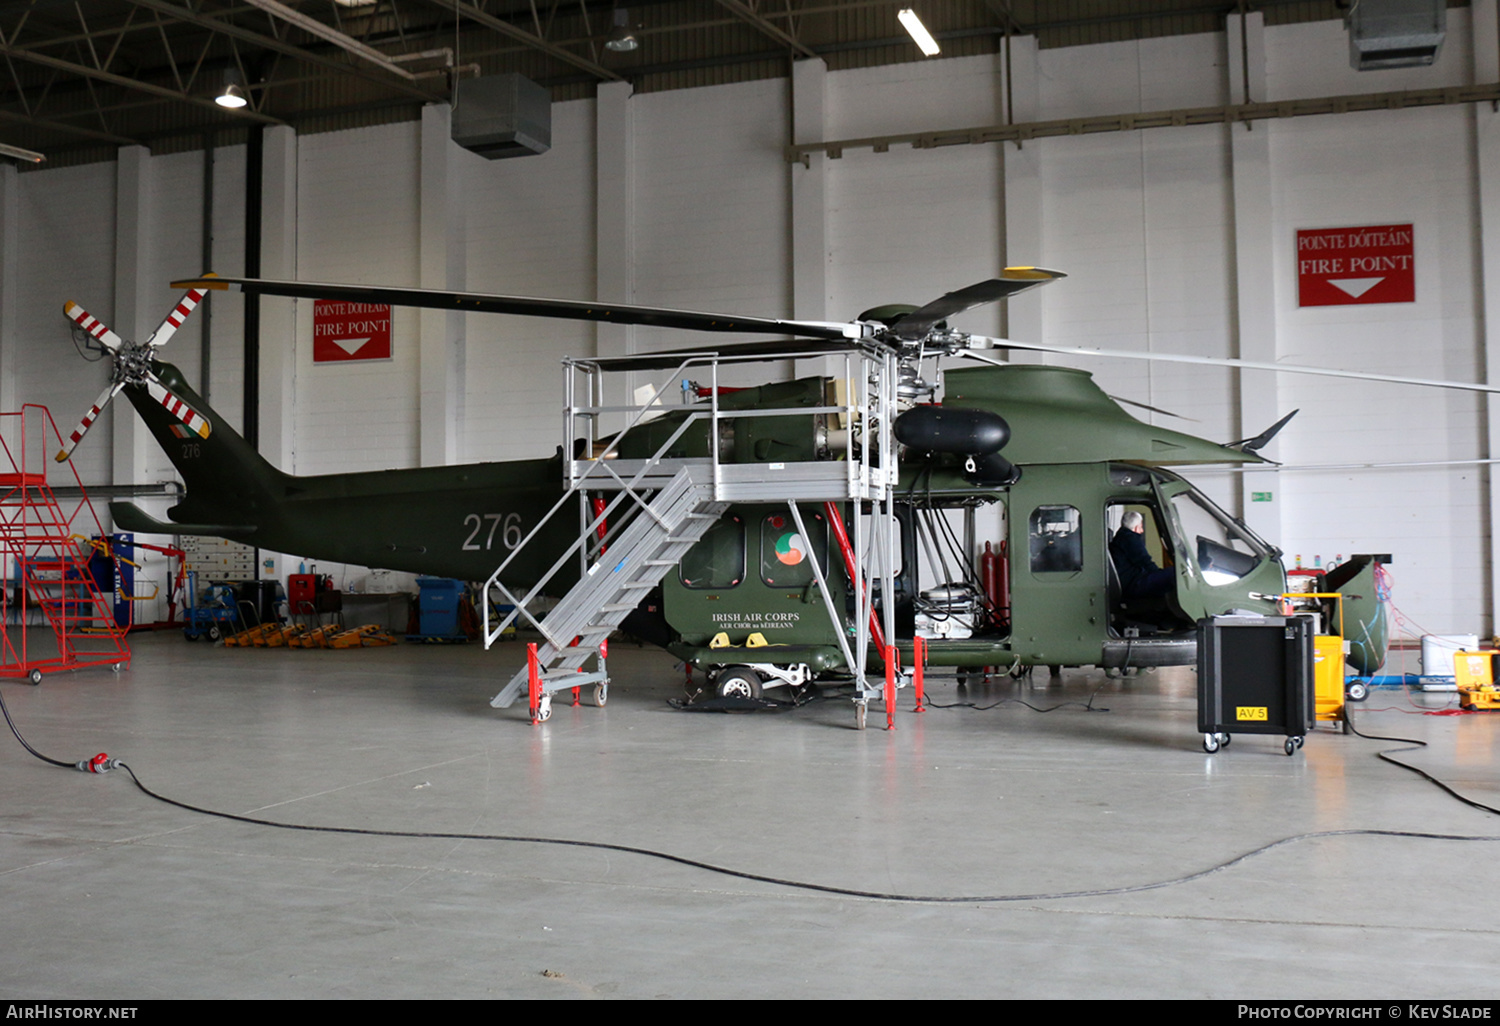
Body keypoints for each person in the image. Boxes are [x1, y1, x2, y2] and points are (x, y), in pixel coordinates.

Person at [1109, 510, 1175, 602]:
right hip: (1133, 583)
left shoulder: (1120, 537)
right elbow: (1145, 561)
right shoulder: (1130, 539)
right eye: (1141, 527)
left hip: (1129, 581)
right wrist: (1158, 573)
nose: (1142, 530)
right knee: (1174, 574)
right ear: (1136, 528)